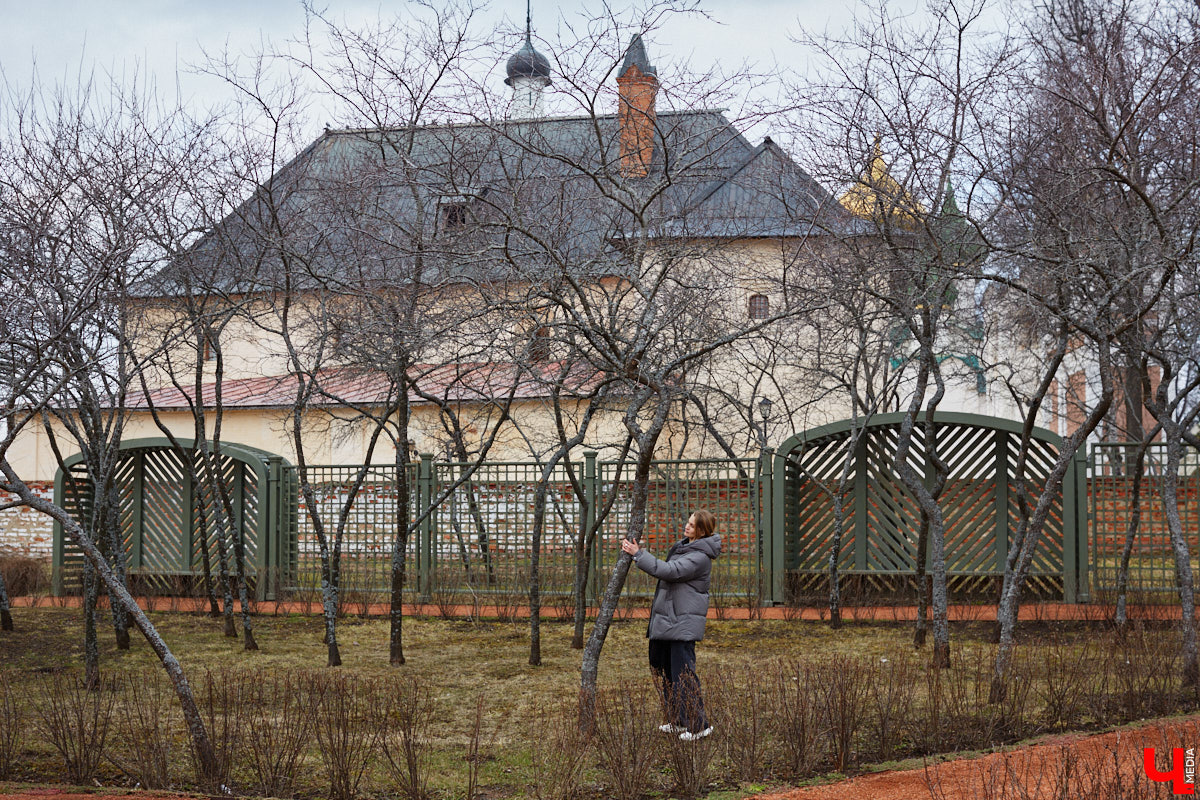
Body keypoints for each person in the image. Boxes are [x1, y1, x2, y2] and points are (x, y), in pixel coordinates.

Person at [620, 509, 721, 742]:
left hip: (682, 622)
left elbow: (670, 571)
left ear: (702, 531)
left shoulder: (700, 557)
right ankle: (677, 719)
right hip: (668, 619)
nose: (687, 527)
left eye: (692, 526)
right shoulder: (684, 547)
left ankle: (697, 725)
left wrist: (638, 554)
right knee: (663, 668)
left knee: (683, 674)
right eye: (688, 523)